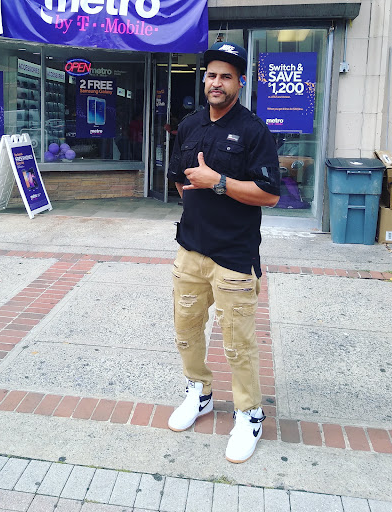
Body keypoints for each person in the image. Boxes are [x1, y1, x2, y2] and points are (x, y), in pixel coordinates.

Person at [167, 41, 281, 464]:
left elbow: (270, 195)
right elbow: (180, 179)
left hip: (233, 254)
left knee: (237, 343)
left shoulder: (254, 130)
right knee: (186, 331)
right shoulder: (190, 124)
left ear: (240, 82)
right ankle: (199, 393)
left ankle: (249, 414)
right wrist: (200, 205)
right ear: (204, 79)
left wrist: (218, 183)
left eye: (227, 76)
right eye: (212, 74)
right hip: (190, 250)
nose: (217, 82)